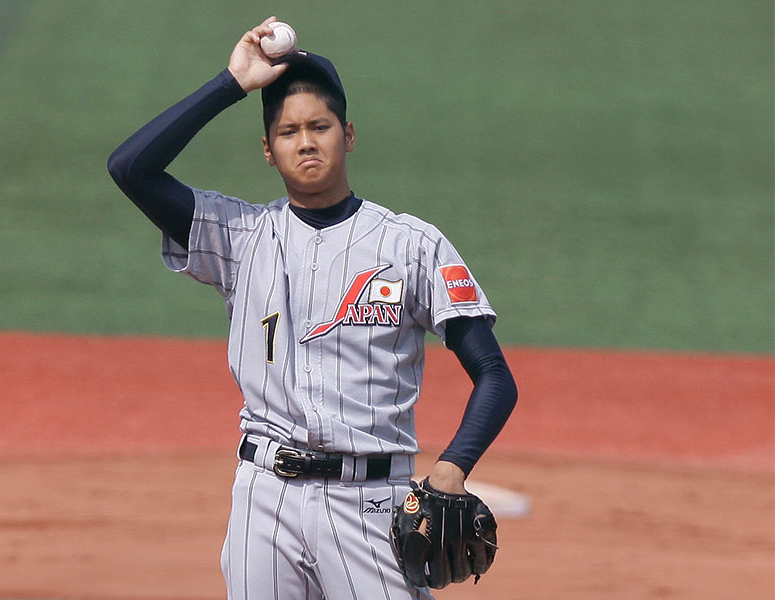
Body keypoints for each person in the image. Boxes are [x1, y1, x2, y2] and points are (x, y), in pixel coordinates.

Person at [107, 17, 517, 599]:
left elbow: (495, 376)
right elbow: (131, 169)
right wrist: (231, 82)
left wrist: (452, 466)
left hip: (371, 505)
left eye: (319, 126)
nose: (305, 142)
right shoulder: (239, 236)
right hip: (263, 499)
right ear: (268, 151)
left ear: (347, 134)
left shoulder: (410, 245)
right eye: (288, 131)